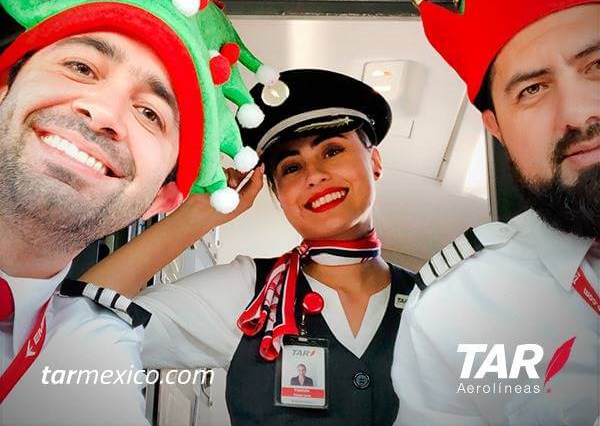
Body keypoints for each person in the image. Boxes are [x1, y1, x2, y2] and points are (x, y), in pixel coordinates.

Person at [338, 0, 599, 423]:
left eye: (598, 64)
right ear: (497, 127)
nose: (579, 112)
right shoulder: (460, 311)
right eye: (531, 89)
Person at [0, 0, 277, 424]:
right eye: (81, 67)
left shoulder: (91, 354)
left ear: (161, 199)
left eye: (150, 113)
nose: (104, 111)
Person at [82, 68, 415, 425]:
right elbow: (78, 328)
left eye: (332, 150)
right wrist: (197, 217)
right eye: (291, 168)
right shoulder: (250, 295)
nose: (313, 175)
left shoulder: (438, 297)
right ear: (276, 193)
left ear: (375, 161)